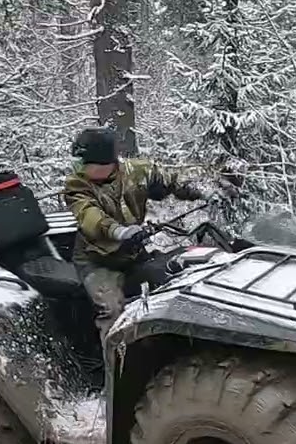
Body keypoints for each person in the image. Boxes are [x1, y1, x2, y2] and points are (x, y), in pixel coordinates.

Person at [63, 126, 210, 338]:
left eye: (83, 163)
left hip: (133, 254)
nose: (78, 168)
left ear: (107, 164)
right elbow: (89, 216)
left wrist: (206, 190)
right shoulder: (77, 185)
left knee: (171, 285)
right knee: (112, 311)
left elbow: (173, 180)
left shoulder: (137, 172)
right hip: (98, 260)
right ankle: (115, 367)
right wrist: (118, 232)